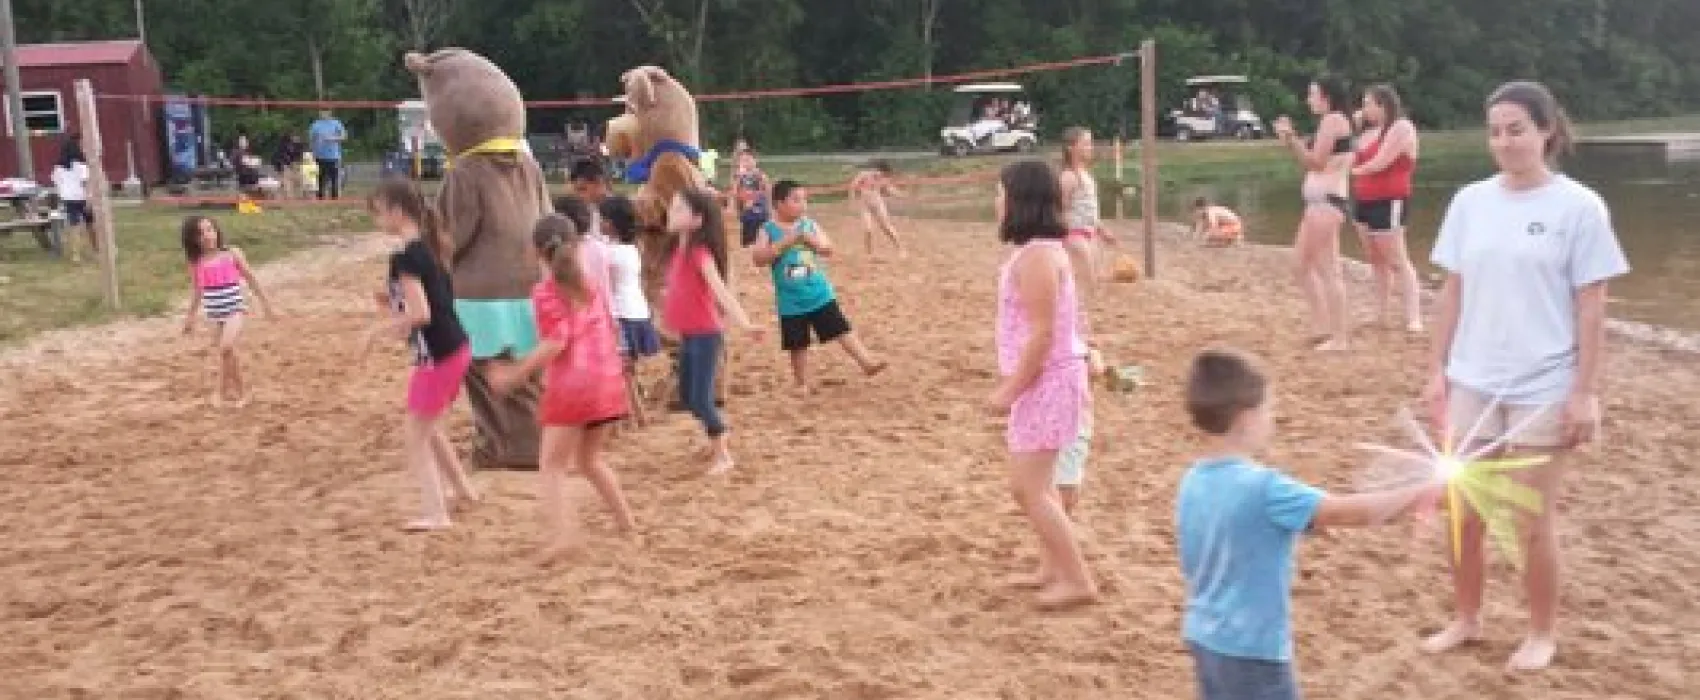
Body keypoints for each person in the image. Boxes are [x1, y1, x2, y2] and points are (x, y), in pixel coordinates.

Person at [1419, 80, 1630, 672]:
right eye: (1495, 131)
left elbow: (1592, 306)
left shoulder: (1579, 208)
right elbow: (1452, 290)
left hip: (1544, 382)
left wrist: (1585, 392)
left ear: (1546, 132)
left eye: (1517, 129)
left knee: (1531, 518)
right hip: (1474, 379)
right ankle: (1466, 618)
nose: (1505, 141)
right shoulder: (1470, 202)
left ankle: (1541, 631)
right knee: (1467, 510)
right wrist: (1435, 370)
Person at [1177, 347, 1440, 700]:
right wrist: (1423, 491)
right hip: (1253, 647)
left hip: (1204, 634)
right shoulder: (1265, 488)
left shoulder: (1192, 480)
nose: (1273, 417)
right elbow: (1350, 512)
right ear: (1246, 418)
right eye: (1269, 408)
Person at [490, 214, 636, 562]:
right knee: (589, 460)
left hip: (573, 386)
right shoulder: (591, 286)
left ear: (536, 252)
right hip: (606, 382)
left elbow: (557, 341)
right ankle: (627, 524)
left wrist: (515, 373)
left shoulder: (545, 293)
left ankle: (562, 537)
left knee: (551, 466)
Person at [986, 159, 1095, 610]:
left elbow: (1044, 332)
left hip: (1046, 382)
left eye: (1000, 193)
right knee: (1039, 485)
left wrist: (1011, 388)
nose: (996, 201)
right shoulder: (1041, 251)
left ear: (1021, 201)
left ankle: (1077, 580)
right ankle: (1052, 568)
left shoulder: (1037, 256)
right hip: (1046, 380)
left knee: (1027, 488)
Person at [361, 177, 480, 531]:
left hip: (440, 355)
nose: (377, 220)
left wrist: (376, 331)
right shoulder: (425, 248)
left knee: (416, 436)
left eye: (379, 213)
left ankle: (436, 513)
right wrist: (390, 306)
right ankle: (463, 491)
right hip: (454, 348)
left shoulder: (407, 256)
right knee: (430, 426)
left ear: (396, 212)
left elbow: (422, 313)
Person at [752, 180, 888, 395]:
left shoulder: (809, 225)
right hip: (790, 300)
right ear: (779, 204)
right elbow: (759, 258)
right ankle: (801, 383)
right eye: (796, 200)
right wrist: (787, 241)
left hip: (818, 292)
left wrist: (810, 240)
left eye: (804, 199)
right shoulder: (767, 229)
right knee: (797, 344)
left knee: (841, 329)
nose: (803, 204)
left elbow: (828, 249)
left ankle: (866, 362)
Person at [662, 188, 762, 474]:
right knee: (688, 397)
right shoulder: (677, 251)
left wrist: (745, 324)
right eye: (673, 207)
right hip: (689, 335)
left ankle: (723, 455)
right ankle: (717, 431)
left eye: (679, 209)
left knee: (701, 399)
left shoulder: (699, 252)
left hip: (706, 335)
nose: (672, 213)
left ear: (697, 219)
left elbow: (720, 291)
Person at [1274, 75, 1355, 351]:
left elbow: (1316, 162)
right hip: (1318, 204)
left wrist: (1291, 139)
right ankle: (1322, 326)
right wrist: (1292, 141)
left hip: (1326, 203)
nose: (1308, 100)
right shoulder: (1333, 122)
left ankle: (1340, 337)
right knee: (1300, 264)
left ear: (1326, 97)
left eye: (1312, 94)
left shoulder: (1333, 121)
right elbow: (1314, 159)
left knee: (1329, 270)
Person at [180, 216, 275, 406]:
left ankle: (239, 392)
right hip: (215, 314)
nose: (207, 235)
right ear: (193, 239)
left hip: (235, 310)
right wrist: (190, 317)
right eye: (200, 233)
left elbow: (251, 279)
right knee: (226, 354)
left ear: (216, 231)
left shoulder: (232, 254)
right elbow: (197, 291)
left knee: (226, 347)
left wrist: (266, 304)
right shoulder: (196, 263)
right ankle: (224, 393)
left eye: (209, 230)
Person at [1352, 84, 1425, 333]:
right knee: (1375, 259)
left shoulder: (1401, 128)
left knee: (1396, 258)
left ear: (1382, 104)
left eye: (1368, 104)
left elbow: (1379, 163)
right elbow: (1352, 154)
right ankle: (1380, 313)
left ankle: (1413, 317)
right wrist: (1355, 125)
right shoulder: (1369, 132)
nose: (1364, 109)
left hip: (1389, 198)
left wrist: (1346, 172)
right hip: (1364, 199)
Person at [601, 194, 661, 422]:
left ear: (613, 223)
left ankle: (632, 414)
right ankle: (636, 414)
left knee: (622, 371)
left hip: (622, 314)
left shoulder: (611, 253)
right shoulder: (633, 248)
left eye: (604, 219)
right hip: (637, 311)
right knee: (627, 370)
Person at [846, 160, 906, 257]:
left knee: (886, 227)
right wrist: (852, 201)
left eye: (883, 173)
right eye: (880, 172)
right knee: (868, 229)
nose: (880, 175)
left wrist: (900, 194)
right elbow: (853, 186)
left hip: (878, 204)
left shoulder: (883, 179)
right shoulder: (863, 175)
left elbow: (889, 189)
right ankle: (869, 253)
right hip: (865, 205)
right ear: (876, 169)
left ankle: (901, 249)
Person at [50, 152, 94, 262]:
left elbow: (56, 182)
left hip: (68, 199)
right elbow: (85, 183)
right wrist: (89, 198)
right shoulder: (81, 166)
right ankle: (96, 248)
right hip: (82, 198)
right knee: (90, 224)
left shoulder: (58, 168)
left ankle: (76, 254)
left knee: (74, 226)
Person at [733, 149, 772, 247]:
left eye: (748, 160)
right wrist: (738, 209)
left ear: (755, 161)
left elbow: (768, 191)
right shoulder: (740, 177)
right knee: (747, 241)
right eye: (742, 160)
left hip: (760, 213)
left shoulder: (760, 175)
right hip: (747, 213)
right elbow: (735, 193)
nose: (745, 163)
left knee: (762, 238)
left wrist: (770, 209)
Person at [308, 110, 347, 199]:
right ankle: (320, 197)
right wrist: (312, 152)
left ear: (330, 112)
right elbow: (311, 139)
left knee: (334, 178)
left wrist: (332, 138)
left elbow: (344, 136)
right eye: (321, 112)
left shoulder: (336, 123)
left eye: (325, 112)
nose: (323, 114)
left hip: (333, 156)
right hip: (319, 155)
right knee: (320, 178)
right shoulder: (315, 124)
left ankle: (334, 197)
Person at [271, 133, 305, 199]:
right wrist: (284, 165)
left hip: (292, 164)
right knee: (286, 181)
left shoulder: (298, 146)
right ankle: (288, 196)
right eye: (294, 137)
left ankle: (295, 196)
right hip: (283, 164)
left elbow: (298, 156)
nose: (296, 139)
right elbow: (280, 156)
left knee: (296, 180)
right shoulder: (283, 146)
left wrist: (296, 164)